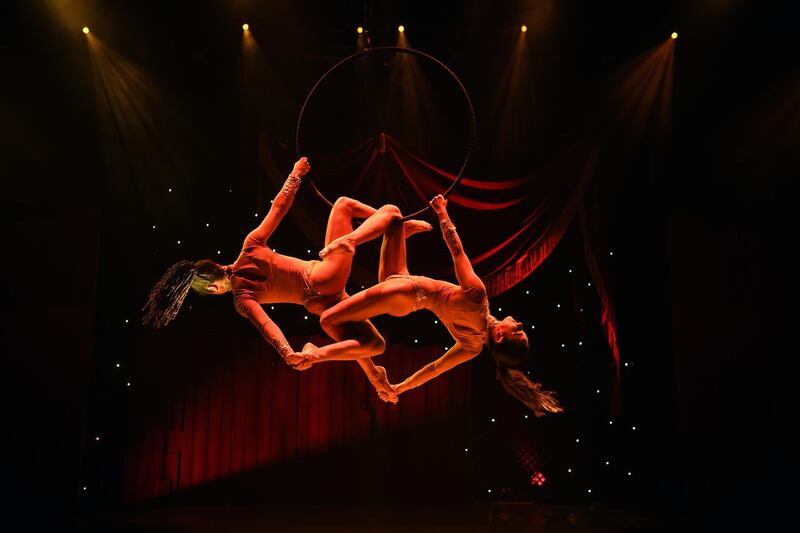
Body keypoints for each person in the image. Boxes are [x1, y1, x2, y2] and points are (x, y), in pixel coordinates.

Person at [142, 157, 432, 396]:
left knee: (373, 344)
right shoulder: (250, 246)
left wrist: (287, 352)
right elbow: (278, 208)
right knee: (346, 205)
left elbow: (268, 327)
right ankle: (392, 227)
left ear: (216, 286)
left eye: (213, 292)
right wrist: (294, 175)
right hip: (323, 278)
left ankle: (392, 229)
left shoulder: (242, 299)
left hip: (318, 299)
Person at [288, 194, 563, 416]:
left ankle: (320, 351)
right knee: (393, 215)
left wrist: (442, 212)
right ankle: (399, 232)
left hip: (404, 290)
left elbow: (457, 252)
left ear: (500, 335)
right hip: (404, 291)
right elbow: (433, 370)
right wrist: (400, 387)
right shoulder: (472, 348)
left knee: (329, 320)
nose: (519, 323)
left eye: (518, 330)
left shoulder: (478, 297)